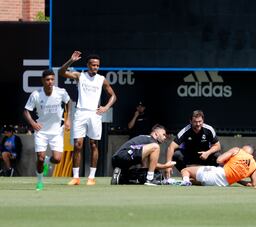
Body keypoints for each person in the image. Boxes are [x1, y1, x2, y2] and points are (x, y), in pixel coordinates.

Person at [59, 51, 117, 186]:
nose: (95, 67)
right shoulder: (80, 76)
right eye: (93, 65)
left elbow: (113, 95)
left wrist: (106, 107)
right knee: (78, 145)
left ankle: (91, 177)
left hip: (94, 114)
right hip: (80, 113)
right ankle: (76, 177)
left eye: (97, 65)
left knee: (93, 144)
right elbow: (62, 72)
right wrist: (71, 60)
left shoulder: (101, 79)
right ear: (88, 65)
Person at [23, 69, 71, 190]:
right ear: (43, 81)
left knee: (57, 159)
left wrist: (68, 118)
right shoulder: (36, 94)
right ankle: (39, 182)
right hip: (41, 132)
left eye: (52, 79)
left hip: (57, 132)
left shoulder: (61, 92)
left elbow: (68, 102)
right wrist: (33, 123)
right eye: (47, 80)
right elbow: (26, 111)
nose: (50, 82)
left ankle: (47, 161)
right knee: (40, 157)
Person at [111, 124, 175, 186]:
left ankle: (119, 176)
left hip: (117, 160)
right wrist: (165, 166)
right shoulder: (152, 140)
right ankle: (150, 179)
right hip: (125, 154)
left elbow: (149, 165)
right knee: (156, 146)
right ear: (156, 134)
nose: (165, 137)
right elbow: (152, 165)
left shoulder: (145, 141)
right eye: (163, 134)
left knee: (136, 173)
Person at [165, 110, 221, 178]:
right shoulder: (185, 131)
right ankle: (187, 175)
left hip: (205, 156)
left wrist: (208, 153)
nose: (198, 124)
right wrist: (168, 166)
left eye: (200, 121)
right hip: (189, 157)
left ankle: (211, 177)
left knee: (218, 156)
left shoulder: (209, 129)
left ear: (203, 120)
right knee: (176, 155)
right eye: (195, 122)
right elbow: (171, 147)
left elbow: (218, 146)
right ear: (190, 121)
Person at [180, 145, 256, 187]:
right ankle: (187, 181)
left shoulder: (237, 150)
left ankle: (185, 181)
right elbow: (252, 184)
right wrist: (237, 180)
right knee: (196, 180)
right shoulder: (254, 166)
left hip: (217, 173)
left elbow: (219, 160)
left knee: (186, 170)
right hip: (224, 184)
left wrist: (228, 162)